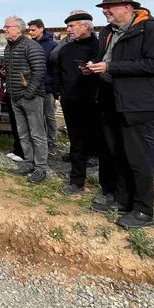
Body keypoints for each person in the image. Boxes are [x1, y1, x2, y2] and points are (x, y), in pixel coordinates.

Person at [84, 0, 154, 230]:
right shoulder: (108, 32)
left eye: (110, 7)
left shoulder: (150, 29)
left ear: (127, 7)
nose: (105, 11)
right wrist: (96, 68)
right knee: (114, 153)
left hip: (137, 103)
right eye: (104, 7)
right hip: (110, 99)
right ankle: (122, 199)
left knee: (138, 157)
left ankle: (143, 209)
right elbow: (109, 61)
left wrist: (111, 67)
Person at [53, 11, 104, 195]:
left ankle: (108, 186)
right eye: (68, 26)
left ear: (85, 26)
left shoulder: (98, 47)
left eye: (72, 26)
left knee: (100, 142)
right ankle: (76, 181)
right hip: (70, 101)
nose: (68, 30)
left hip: (92, 102)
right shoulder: (66, 49)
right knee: (76, 142)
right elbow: (58, 70)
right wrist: (59, 91)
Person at [3, 17, 48, 183]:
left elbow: (39, 71)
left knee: (37, 133)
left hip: (31, 97)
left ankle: (41, 168)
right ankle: (28, 162)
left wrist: (28, 93)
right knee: (23, 132)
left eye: (8, 27)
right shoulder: (9, 48)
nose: (5, 29)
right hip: (15, 96)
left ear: (18, 28)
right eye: (5, 26)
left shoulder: (31, 46)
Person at [28, 19, 59, 158]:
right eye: (29, 30)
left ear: (41, 29)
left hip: (47, 87)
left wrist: (54, 86)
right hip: (33, 86)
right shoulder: (31, 44)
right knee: (37, 117)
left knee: (49, 115)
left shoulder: (52, 45)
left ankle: (51, 143)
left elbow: (54, 68)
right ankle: (39, 144)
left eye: (33, 29)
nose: (30, 32)